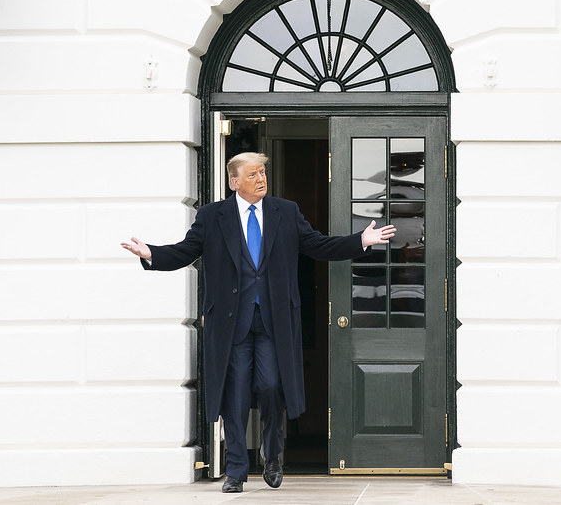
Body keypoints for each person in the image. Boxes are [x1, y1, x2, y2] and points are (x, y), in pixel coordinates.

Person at [121, 152, 396, 493]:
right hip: (230, 322)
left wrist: (360, 241)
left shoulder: (286, 211)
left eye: (263, 172)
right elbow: (186, 250)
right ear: (234, 181)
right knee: (234, 396)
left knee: (269, 388)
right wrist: (152, 254)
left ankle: (273, 455)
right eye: (252, 174)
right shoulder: (212, 216)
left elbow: (317, 245)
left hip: (272, 321)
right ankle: (236, 469)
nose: (261, 179)